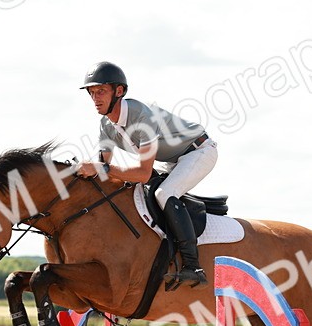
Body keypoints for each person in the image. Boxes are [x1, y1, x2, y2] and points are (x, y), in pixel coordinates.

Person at [74, 61, 217, 288]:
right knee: (136, 193)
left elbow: (142, 172)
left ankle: (193, 266)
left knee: (163, 193)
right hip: (172, 160)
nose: (95, 98)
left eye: (100, 91)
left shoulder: (142, 116)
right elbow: (103, 166)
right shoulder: (106, 124)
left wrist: (100, 169)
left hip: (199, 151)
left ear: (119, 91)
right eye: (91, 93)